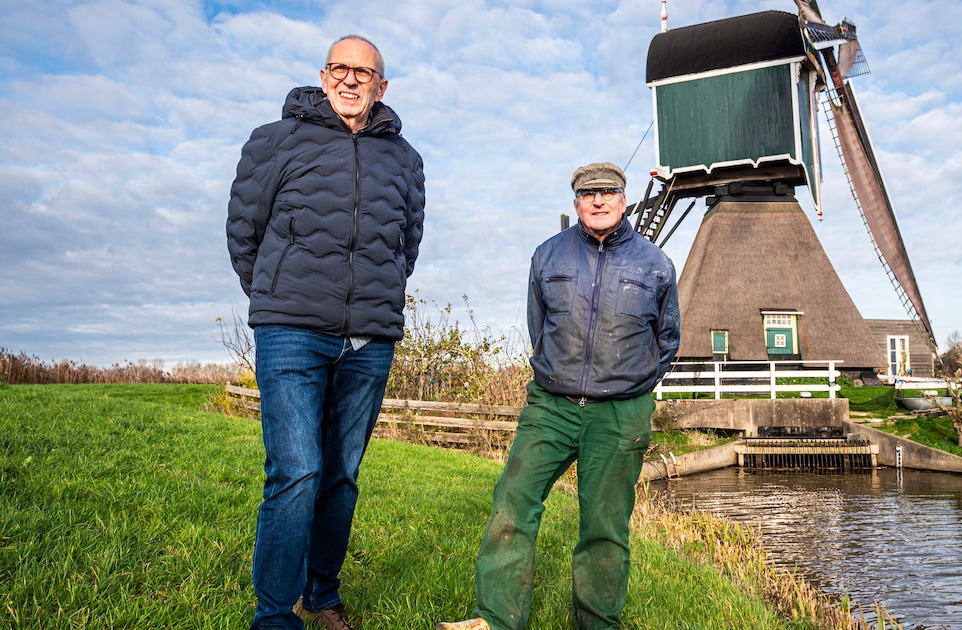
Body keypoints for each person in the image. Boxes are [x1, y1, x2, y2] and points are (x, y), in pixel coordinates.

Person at [226, 34, 425, 630]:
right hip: (290, 330)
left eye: (363, 72)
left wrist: (374, 293)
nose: (350, 79)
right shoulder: (276, 140)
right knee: (297, 468)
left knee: (340, 473)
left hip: (369, 338)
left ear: (381, 86)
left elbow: (406, 244)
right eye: (339, 68)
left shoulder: (405, 158)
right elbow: (244, 230)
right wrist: (276, 293)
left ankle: (322, 592)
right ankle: (274, 616)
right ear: (322, 75)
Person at [437, 163, 680, 630]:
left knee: (605, 528)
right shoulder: (547, 256)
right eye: (588, 194)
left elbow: (667, 339)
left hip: (619, 414)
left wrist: (634, 388)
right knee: (513, 502)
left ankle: (597, 624)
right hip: (551, 407)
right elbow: (539, 327)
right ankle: (495, 619)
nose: (598, 200)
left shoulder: (655, 264)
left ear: (623, 200)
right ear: (576, 204)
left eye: (608, 192)